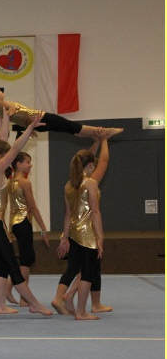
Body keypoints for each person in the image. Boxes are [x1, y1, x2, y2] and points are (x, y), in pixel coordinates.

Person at [0, 108, 53, 322]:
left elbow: (2, 139)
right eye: (3, 155)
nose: (7, 157)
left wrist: (4, 117)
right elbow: (14, 148)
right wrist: (29, 128)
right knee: (13, 266)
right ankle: (34, 304)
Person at [54, 131, 113, 319]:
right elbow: (95, 212)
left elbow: (67, 214)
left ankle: (71, 300)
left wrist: (64, 238)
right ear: (90, 166)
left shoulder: (68, 185)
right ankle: (81, 311)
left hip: (74, 233)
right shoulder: (91, 184)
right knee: (88, 273)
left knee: (79, 269)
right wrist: (100, 238)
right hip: (88, 234)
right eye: (93, 165)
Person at [0, 86, 123, 139]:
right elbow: (15, 114)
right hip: (42, 118)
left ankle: (96, 134)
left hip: (38, 122)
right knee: (72, 127)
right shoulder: (4, 109)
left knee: (71, 130)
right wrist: (27, 124)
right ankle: (103, 131)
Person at [4, 152, 50, 306]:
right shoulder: (24, 182)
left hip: (15, 223)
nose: (30, 165)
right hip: (23, 223)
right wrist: (43, 229)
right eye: (27, 162)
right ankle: (22, 297)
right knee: (26, 259)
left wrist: (10, 227)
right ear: (18, 164)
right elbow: (33, 207)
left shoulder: (11, 182)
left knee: (25, 258)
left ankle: (12, 290)